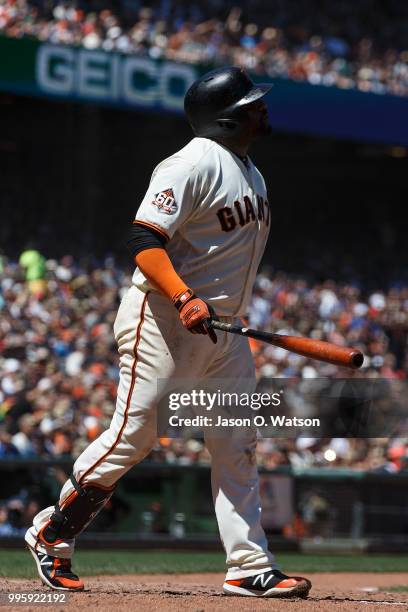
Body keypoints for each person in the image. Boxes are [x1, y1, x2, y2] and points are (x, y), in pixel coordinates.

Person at [25, 66, 312, 598]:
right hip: (163, 317)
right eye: (252, 102)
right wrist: (183, 296)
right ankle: (52, 531)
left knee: (236, 444)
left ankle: (249, 564)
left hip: (224, 330)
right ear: (226, 117)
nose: (262, 108)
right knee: (135, 436)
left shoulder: (252, 172)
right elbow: (143, 238)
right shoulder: (191, 162)